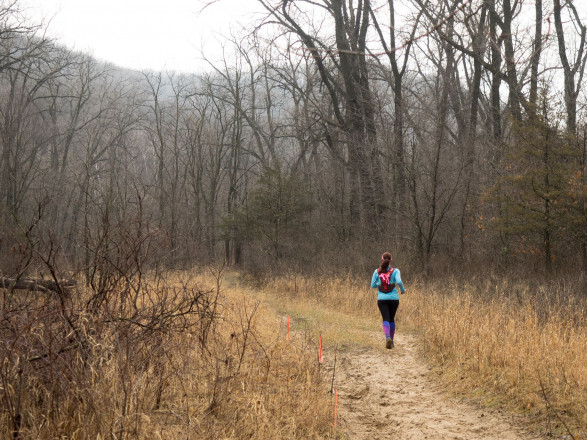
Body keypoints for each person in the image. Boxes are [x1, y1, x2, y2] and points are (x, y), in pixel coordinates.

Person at [371, 252, 406, 349]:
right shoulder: (396, 271)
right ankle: (392, 341)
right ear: (391, 260)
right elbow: (398, 281)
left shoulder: (377, 271)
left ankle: (387, 338)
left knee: (385, 318)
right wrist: (403, 290)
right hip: (394, 299)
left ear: (382, 259)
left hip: (382, 299)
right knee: (391, 319)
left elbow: (372, 285)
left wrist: (379, 284)